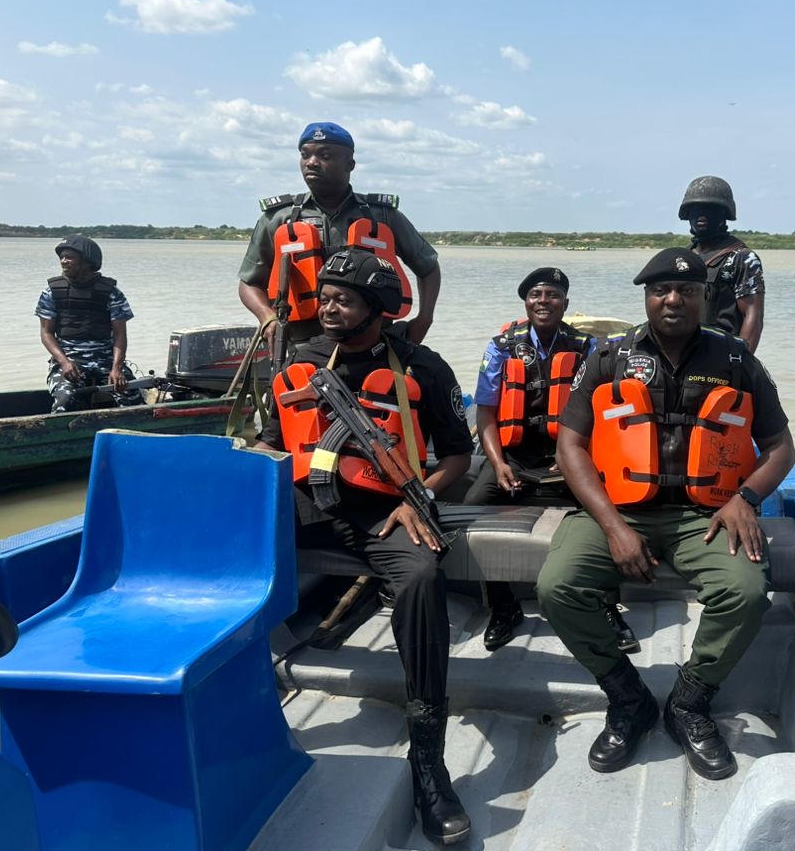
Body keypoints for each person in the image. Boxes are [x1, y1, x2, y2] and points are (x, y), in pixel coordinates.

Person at [537, 248, 795, 781]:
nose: (673, 300)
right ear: (646, 297)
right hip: (616, 509)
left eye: (687, 291)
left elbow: (780, 448)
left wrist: (745, 499)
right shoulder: (608, 357)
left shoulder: (737, 360)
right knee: (557, 586)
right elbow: (571, 446)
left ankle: (690, 701)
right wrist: (613, 527)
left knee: (746, 592)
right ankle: (626, 697)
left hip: (706, 514)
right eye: (660, 291)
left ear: (705, 297)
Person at [254, 247, 472, 845]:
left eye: (343, 301)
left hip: (385, 509)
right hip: (306, 505)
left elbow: (458, 455)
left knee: (421, 579)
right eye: (324, 298)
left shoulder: (424, 368)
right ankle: (240, 705)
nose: (328, 308)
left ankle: (428, 758)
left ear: (378, 310)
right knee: (227, 550)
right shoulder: (299, 362)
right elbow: (271, 444)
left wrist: (418, 499)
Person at [465, 267, 596, 651]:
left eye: (552, 295)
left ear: (565, 304)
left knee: (603, 510)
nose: (544, 301)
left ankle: (601, 605)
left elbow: (598, 411)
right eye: (536, 295)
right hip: (514, 457)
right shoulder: (501, 347)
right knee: (472, 506)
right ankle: (503, 607)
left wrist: (574, 455)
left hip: (566, 456)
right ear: (525, 302)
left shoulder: (586, 347)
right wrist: (498, 463)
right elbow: (486, 412)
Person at [237, 121, 442, 353]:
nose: (311, 162)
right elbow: (249, 282)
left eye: (324, 155)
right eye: (305, 155)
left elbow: (427, 266)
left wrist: (425, 318)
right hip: (302, 346)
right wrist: (267, 316)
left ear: (349, 164)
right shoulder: (278, 219)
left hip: (374, 346)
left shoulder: (382, 216)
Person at [36, 235, 145, 414]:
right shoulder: (52, 291)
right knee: (65, 401)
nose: (63, 261)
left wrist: (117, 368)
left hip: (106, 360)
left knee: (133, 401)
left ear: (87, 261)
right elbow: (46, 333)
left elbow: (120, 334)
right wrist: (64, 362)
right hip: (69, 360)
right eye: (61, 257)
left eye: (69, 257)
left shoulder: (111, 292)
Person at [678, 175, 765, 353]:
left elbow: (753, 315)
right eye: (695, 208)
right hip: (684, 354)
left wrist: (741, 360)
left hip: (721, 355)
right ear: (687, 214)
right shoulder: (683, 258)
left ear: (724, 214)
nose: (701, 215)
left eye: (710, 209)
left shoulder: (741, 258)